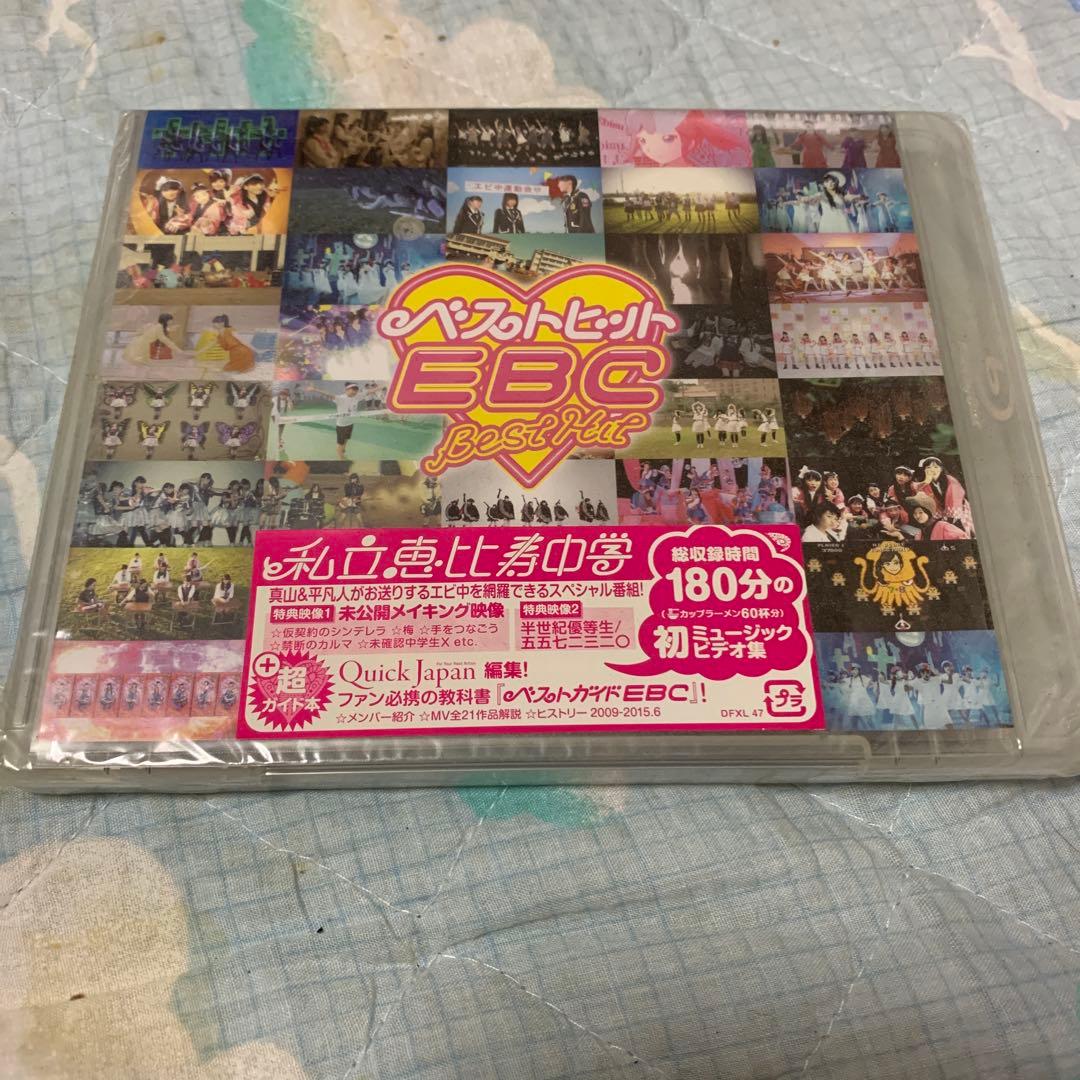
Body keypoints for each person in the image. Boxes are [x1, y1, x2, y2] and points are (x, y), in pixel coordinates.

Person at [915, 456, 974, 536]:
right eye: (928, 467)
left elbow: (954, 500)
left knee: (961, 530)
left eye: (936, 467)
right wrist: (926, 481)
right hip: (941, 511)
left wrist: (948, 518)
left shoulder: (951, 481)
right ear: (924, 470)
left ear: (941, 469)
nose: (932, 470)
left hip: (959, 509)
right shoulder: (925, 484)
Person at [123, 313, 188, 365]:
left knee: (142, 363)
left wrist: (170, 329)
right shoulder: (158, 327)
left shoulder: (156, 326)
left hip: (139, 343)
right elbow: (165, 340)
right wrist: (178, 350)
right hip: (142, 346)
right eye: (170, 320)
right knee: (140, 363)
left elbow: (150, 331)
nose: (171, 322)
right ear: (166, 321)